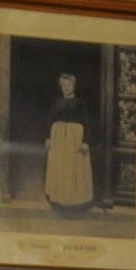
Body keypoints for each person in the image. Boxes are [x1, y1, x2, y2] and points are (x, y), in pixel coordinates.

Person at [44, 71, 94, 214]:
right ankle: (59, 200)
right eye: (64, 85)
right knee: (59, 168)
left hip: (74, 140)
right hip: (58, 139)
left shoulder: (81, 103)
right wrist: (47, 138)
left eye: (69, 84)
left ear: (74, 86)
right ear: (61, 87)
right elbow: (50, 120)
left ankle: (74, 203)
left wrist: (86, 142)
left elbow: (87, 123)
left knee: (73, 169)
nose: (66, 87)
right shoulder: (56, 102)